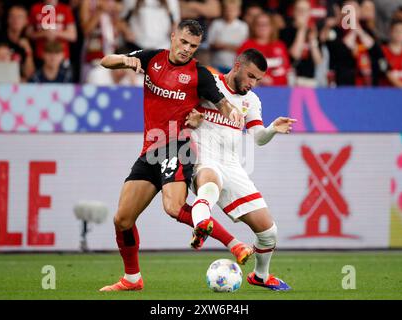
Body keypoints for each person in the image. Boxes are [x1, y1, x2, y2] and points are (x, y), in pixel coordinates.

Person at [98, 20, 251, 292]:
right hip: (150, 151)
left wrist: (234, 114)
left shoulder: (199, 74)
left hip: (178, 146)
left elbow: (222, 104)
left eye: (193, 46)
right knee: (122, 219)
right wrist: (124, 60)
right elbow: (104, 61)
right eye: (183, 42)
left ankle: (234, 244)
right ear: (173, 37)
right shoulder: (151, 58)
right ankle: (132, 279)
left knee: (172, 207)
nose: (187, 50)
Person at [190, 48, 295, 291]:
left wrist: (271, 129)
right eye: (250, 76)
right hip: (201, 158)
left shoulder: (251, 101)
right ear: (237, 65)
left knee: (269, 232)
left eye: (257, 79)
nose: (252, 84)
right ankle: (202, 225)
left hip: (232, 165)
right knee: (209, 184)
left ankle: (260, 275)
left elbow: (258, 137)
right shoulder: (209, 83)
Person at [237, 12, 291, 86]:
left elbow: (286, 68)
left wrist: (273, 80)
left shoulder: (280, 45)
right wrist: (260, 80)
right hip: (254, 90)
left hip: (280, 90)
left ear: (272, 27)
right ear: (253, 27)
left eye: (265, 24)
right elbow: (240, 69)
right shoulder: (247, 45)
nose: (262, 27)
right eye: (258, 24)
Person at [207, 0, 248, 74]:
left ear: (239, 11)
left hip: (235, 65)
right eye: (227, 10)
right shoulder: (216, 24)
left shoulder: (243, 26)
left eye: (233, 10)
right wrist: (232, 46)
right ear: (223, 11)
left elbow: (243, 47)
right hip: (217, 64)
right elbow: (211, 44)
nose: (229, 13)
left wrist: (223, 45)